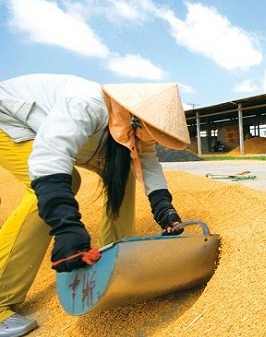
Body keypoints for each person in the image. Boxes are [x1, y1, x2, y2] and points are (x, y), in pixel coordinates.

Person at [0, 73, 190, 336]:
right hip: (10, 119)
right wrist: (66, 227)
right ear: (135, 117)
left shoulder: (133, 128)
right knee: (53, 187)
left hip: (67, 134)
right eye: (151, 134)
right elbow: (49, 157)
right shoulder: (86, 103)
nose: (152, 141)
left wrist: (164, 209)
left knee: (122, 172)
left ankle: (115, 262)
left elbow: (148, 165)